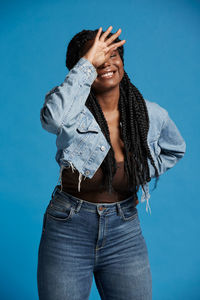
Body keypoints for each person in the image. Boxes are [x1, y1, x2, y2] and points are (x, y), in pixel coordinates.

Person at [37, 26, 186, 300]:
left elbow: (175, 149)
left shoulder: (148, 113)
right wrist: (86, 65)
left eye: (113, 54)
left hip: (124, 229)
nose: (106, 63)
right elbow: (54, 120)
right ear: (79, 67)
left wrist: (137, 174)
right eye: (97, 57)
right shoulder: (69, 109)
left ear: (123, 61)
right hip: (69, 226)